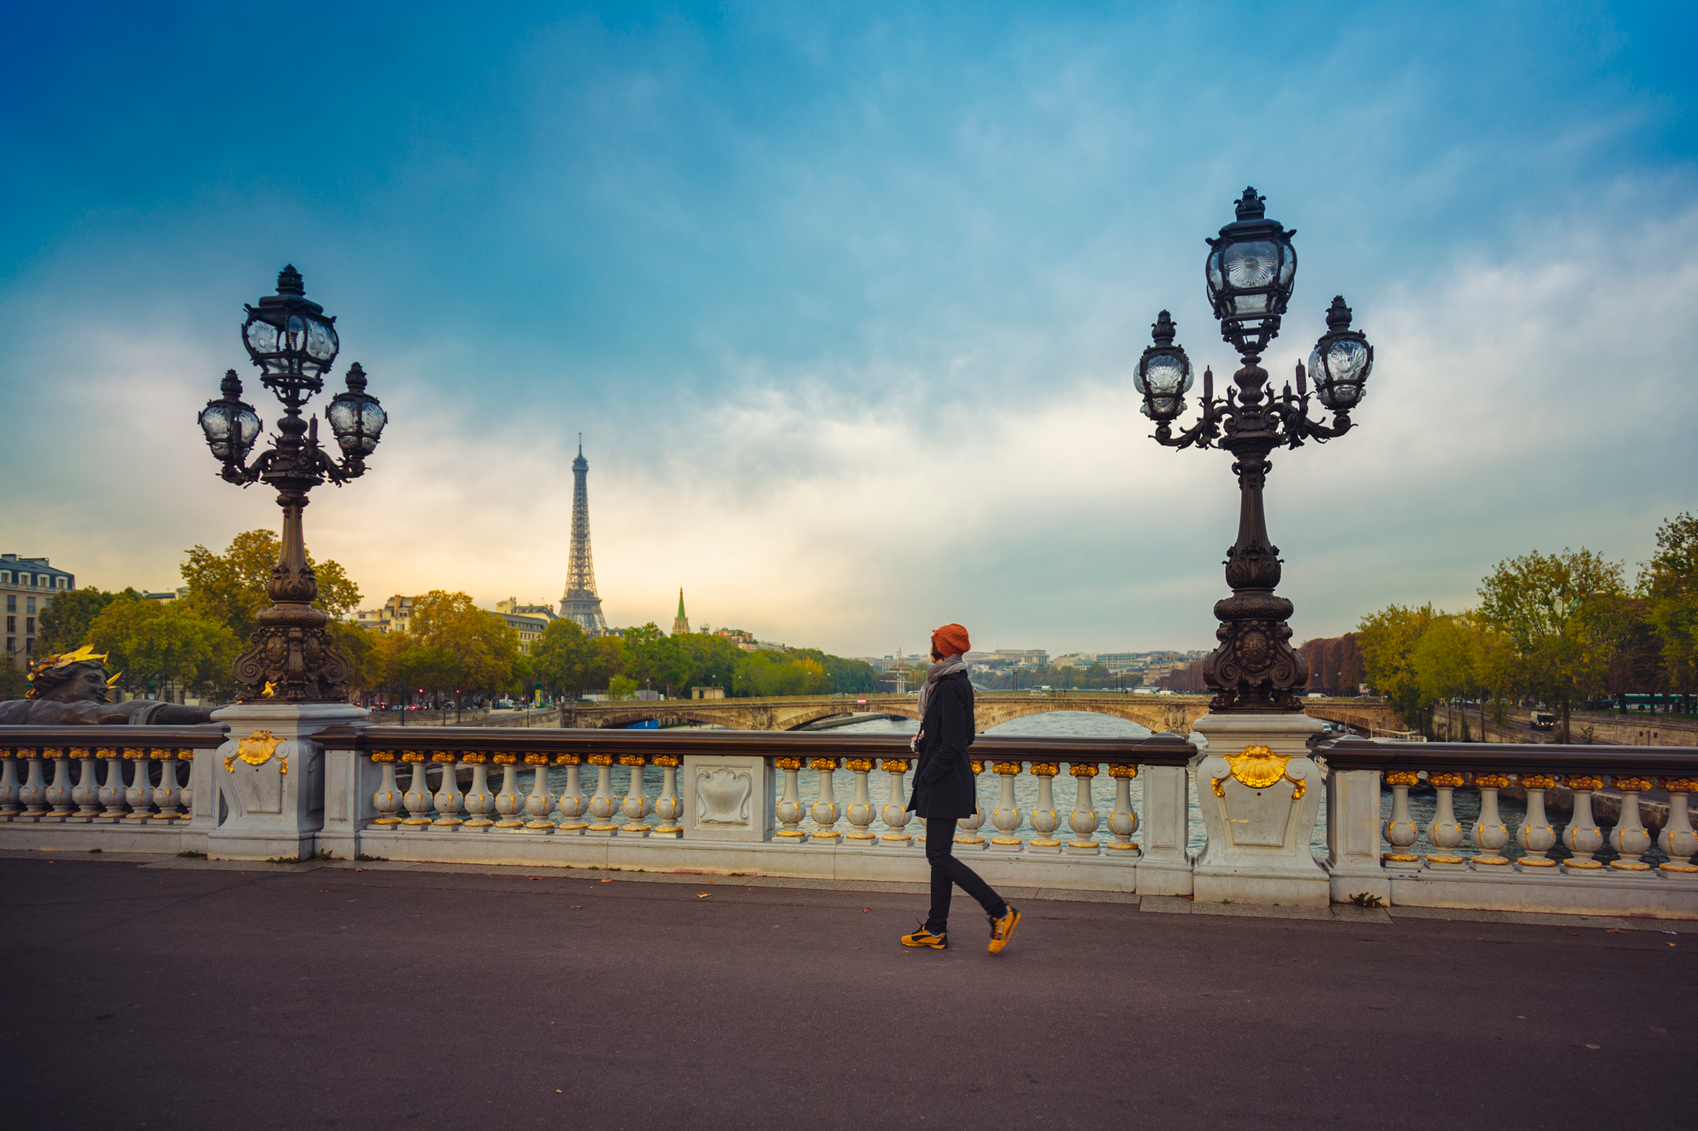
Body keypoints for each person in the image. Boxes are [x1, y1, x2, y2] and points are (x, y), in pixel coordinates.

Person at [900, 622, 1021, 953]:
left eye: (933, 642)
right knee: (939, 856)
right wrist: (926, 742)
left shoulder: (950, 686)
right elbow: (964, 736)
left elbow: (955, 743)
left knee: (938, 856)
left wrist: (928, 774)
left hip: (944, 782)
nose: (930, 648)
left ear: (941, 648)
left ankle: (1000, 911)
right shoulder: (954, 682)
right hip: (947, 778)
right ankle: (935, 929)